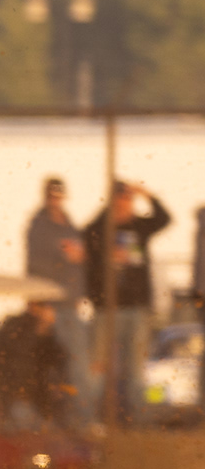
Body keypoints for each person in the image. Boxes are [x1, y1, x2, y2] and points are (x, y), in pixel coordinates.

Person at [82, 180, 171, 425]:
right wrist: (105, 257)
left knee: (135, 370)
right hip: (105, 309)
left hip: (136, 309)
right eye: (122, 199)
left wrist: (148, 193)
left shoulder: (139, 227)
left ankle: (139, 424)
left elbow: (165, 219)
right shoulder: (97, 229)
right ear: (112, 201)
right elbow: (84, 253)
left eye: (130, 200)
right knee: (97, 368)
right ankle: (88, 421)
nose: (127, 205)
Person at [25, 177, 91, 419]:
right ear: (45, 196)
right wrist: (37, 302)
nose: (55, 198)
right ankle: (49, 418)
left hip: (70, 305)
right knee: (49, 366)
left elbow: (79, 261)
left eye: (59, 194)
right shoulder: (39, 226)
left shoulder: (69, 226)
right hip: (49, 306)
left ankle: (80, 419)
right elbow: (34, 265)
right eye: (51, 194)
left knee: (76, 366)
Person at [0, 299, 70, 428]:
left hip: (36, 394)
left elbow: (59, 358)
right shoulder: (16, 325)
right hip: (13, 393)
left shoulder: (48, 332)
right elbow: (17, 356)